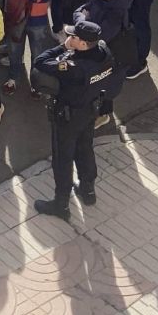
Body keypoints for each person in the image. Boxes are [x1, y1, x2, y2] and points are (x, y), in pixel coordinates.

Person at [33, 19, 115, 221]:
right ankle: (88, 192)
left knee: (63, 158)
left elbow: (40, 62)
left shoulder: (74, 67)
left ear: (84, 43)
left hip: (68, 117)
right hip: (90, 110)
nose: (70, 38)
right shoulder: (104, 53)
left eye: (74, 37)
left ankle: (61, 204)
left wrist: (63, 47)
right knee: (85, 148)